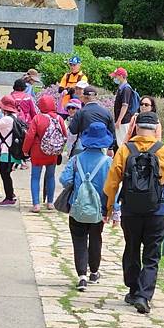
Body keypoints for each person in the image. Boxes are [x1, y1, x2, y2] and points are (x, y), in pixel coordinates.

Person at [104, 111, 164, 314]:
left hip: (131, 210)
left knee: (131, 248)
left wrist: (109, 208)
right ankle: (144, 296)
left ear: (136, 128)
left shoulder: (125, 150)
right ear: (156, 129)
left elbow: (112, 182)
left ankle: (133, 289)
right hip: (156, 210)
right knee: (152, 255)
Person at [59, 122, 113, 291]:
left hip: (77, 207)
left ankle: (81, 275)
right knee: (96, 238)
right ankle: (94, 272)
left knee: (79, 239)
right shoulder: (108, 162)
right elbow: (113, 187)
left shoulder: (76, 159)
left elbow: (65, 180)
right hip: (99, 209)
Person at [23, 95, 67, 212]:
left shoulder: (37, 118)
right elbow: (65, 135)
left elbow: (30, 136)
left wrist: (25, 150)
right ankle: (50, 202)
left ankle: (36, 204)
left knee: (35, 177)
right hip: (52, 152)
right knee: (50, 176)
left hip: (37, 151)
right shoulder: (59, 118)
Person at [0, 95, 21, 207]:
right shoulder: (14, 117)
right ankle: (11, 194)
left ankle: (9, 197)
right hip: (11, 150)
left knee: (5, 174)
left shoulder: (7, 119)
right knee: (6, 174)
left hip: (6, 151)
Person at [69, 86, 117, 156]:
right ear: (96, 97)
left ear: (84, 97)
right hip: (102, 146)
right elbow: (112, 132)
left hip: (84, 145)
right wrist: (111, 148)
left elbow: (73, 130)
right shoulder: (106, 112)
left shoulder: (80, 112)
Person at [109, 67, 135, 147]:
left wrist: (119, 120)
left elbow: (125, 105)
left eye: (116, 76)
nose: (114, 78)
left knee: (123, 143)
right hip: (122, 120)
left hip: (124, 121)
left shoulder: (126, 88)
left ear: (121, 76)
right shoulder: (122, 88)